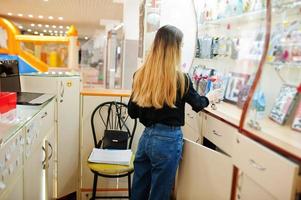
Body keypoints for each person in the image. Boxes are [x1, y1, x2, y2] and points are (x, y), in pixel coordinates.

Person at [128, 25, 221, 200]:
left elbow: (132, 112)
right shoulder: (181, 79)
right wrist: (210, 97)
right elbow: (199, 104)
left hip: (146, 138)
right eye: (181, 45)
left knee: (139, 190)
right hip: (168, 142)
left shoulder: (140, 75)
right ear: (175, 49)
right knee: (160, 193)